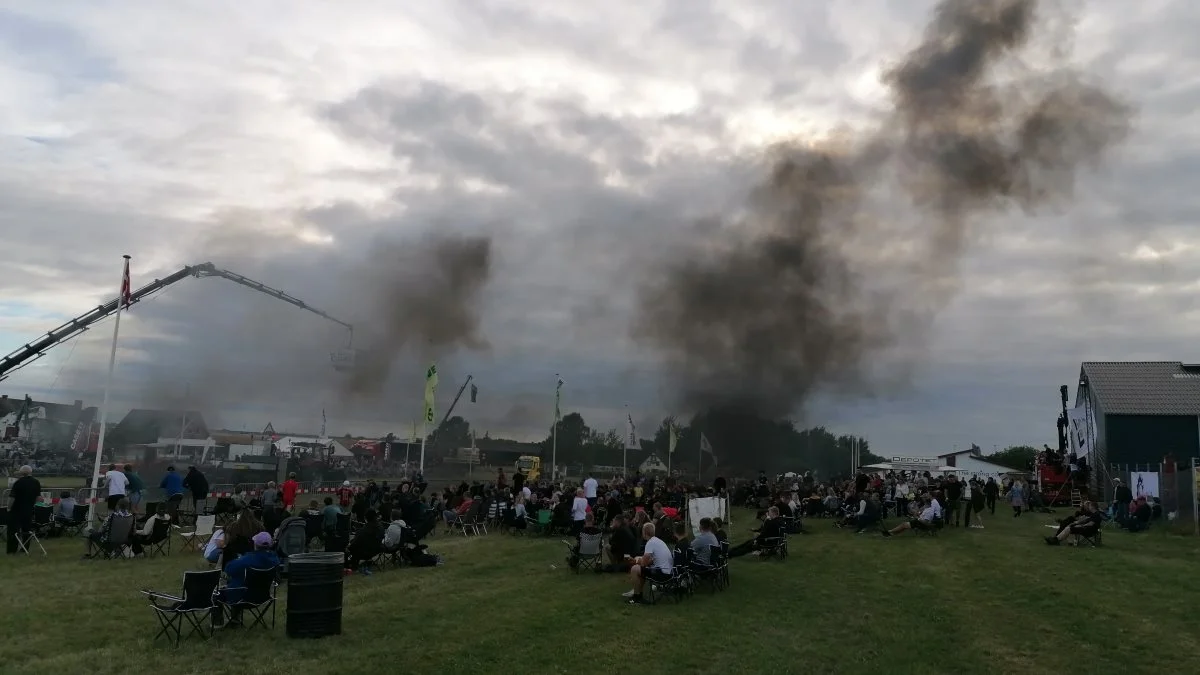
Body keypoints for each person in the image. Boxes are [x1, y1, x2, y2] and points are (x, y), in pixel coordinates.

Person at [212, 532, 280, 628]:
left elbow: (228, 569)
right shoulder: (274, 559)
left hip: (243, 597)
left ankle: (218, 623)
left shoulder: (247, 560)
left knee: (218, 593)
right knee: (238, 581)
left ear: (255, 544)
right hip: (264, 596)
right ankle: (235, 619)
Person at [624, 522, 673, 605]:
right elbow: (652, 560)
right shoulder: (658, 541)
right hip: (668, 572)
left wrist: (635, 560)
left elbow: (643, 563)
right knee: (642, 571)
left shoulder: (650, 543)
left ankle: (637, 597)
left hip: (661, 573)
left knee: (635, 569)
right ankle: (638, 594)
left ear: (645, 532)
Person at [6, 465, 41, 554]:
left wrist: (8, 507)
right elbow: (38, 497)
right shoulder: (36, 482)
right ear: (30, 472)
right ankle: (25, 549)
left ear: (21, 472)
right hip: (28, 510)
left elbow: (12, 497)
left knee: (13, 531)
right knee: (27, 531)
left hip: (16, 510)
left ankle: (12, 550)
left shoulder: (18, 482)